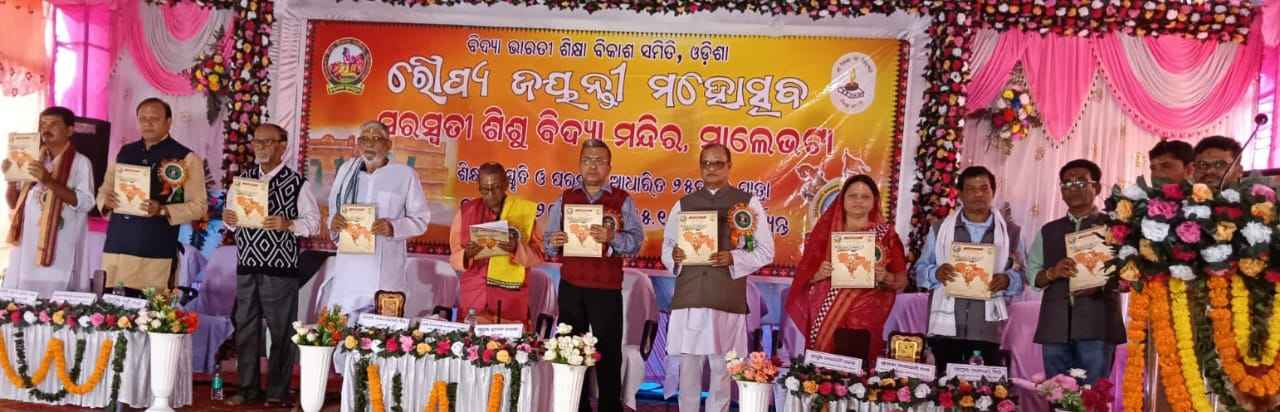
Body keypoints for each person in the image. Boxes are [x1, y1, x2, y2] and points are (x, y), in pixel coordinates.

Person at [661, 143, 774, 412]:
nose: (711, 169)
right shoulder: (684, 204)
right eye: (706, 163)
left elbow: (766, 251)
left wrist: (733, 258)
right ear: (700, 167)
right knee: (688, 368)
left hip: (725, 297)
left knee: (721, 368)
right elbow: (668, 246)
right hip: (690, 296)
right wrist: (674, 255)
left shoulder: (747, 203)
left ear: (729, 166)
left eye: (718, 163)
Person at [221, 124, 321, 407]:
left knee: (280, 331)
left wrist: (288, 224)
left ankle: (277, 391)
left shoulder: (297, 184)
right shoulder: (242, 181)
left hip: (280, 269)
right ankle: (247, 388)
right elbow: (232, 219)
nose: (261, 147)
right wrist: (229, 218)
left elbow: (314, 224)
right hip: (247, 265)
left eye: (268, 142)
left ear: (283, 146)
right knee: (245, 328)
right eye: (258, 142)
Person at [543, 139, 644, 412]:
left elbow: (636, 243)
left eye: (599, 161)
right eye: (587, 160)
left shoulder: (622, 200)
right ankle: (574, 407)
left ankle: (609, 407)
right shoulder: (565, 198)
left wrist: (612, 237)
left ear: (609, 167)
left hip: (606, 288)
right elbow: (548, 243)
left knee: (608, 355)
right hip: (572, 286)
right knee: (571, 352)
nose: (592, 166)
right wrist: (555, 240)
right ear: (579, 164)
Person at [783, 174, 907, 364]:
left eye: (865, 196)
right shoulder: (825, 233)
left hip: (866, 314)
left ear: (874, 201)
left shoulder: (886, 235)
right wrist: (817, 275)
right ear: (842, 199)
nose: (859, 201)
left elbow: (901, 280)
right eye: (853, 196)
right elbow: (803, 277)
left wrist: (886, 277)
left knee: (859, 369)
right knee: (823, 370)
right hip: (826, 313)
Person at [1026, 159, 1124, 383]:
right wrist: (1052, 273)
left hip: (1098, 325)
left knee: (1094, 395)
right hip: (1055, 327)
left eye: (1081, 182)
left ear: (1096, 187)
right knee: (1056, 393)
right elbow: (1032, 276)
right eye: (1067, 183)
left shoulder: (1115, 227)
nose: (1073, 188)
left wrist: (1103, 283)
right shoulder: (1048, 230)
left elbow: (1130, 274)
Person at [914, 166, 1023, 366]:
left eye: (984, 188)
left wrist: (1008, 280)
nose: (978, 194)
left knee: (984, 384)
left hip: (987, 328)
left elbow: (1025, 276)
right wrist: (936, 273)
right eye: (971, 189)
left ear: (993, 191)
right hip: (945, 329)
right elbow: (920, 271)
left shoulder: (1010, 232)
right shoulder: (940, 229)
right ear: (961, 194)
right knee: (943, 382)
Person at [98, 98, 209, 289]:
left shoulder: (186, 158)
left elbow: (200, 207)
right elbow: (104, 190)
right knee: (112, 304)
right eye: (143, 119)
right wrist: (106, 202)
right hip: (117, 246)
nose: (148, 124)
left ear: (168, 122)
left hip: (156, 249)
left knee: (151, 306)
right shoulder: (125, 152)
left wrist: (163, 210)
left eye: (154, 119)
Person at [325, 121, 430, 313]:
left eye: (376, 139)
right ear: (358, 143)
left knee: (382, 330)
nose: (369, 144)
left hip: (385, 275)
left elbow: (420, 220)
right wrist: (333, 222)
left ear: (388, 145)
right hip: (348, 274)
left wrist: (393, 228)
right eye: (364, 139)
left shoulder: (404, 175)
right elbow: (333, 209)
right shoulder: (346, 171)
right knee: (341, 327)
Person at [2, 106, 95, 295]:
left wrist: (48, 180)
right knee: (24, 303)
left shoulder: (80, 163)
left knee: (58, 303)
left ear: (70, 130)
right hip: (27, 249)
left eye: (54, 124)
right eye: (43, 124)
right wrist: (11, 179)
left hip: (62, 246)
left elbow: (86, 203)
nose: (46, 128)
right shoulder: (31, 159)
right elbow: (14, 204)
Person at [449, 162, 544, 326]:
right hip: (474, 298)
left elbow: (538, 256)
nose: (491, 195)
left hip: (509, 302)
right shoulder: (466, 212)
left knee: (507, 342)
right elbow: (454, 258)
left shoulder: (523, 213)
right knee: (471, 341)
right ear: (479, 188)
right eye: (485, 190)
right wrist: (466, 255)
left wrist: (517, 249)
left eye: (496, 188)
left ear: (506, 184)